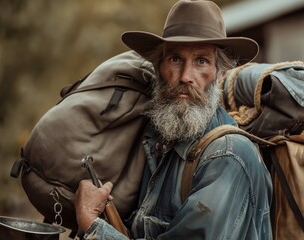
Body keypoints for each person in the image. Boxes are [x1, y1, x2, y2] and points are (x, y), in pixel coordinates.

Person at [75, 0, 273, 239]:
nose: (186, 76)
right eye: (175, 59)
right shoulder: (159, 139)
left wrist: (92, 224)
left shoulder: (228, 156)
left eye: (202, 61)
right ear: (159, 68)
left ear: (219, 74)